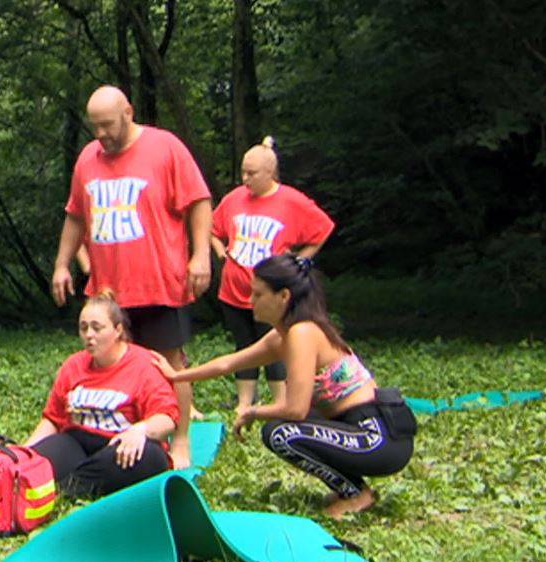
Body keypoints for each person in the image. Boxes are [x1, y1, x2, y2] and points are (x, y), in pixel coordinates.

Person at [153, 253, 415, 518]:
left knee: (281, 433)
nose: (250, 301)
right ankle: (351, 489)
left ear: (284, 296)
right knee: (284, 429)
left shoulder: (303, 333)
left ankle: (356, 494)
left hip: (378, 437)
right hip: (354, 427)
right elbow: (228, 364)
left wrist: (253, 411)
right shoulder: (283, 335)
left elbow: (295, 410)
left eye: (258, 294)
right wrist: (176, 376)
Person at [50, 85, 213, 468]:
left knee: (168, 364)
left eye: (107, 125)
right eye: (95, 127)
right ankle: (118, 432)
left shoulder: (165, 147)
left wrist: (201, 255)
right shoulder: (88, 159)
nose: (101, 134)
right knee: (112, 364)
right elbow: (75, 215)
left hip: (159, 280)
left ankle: (182, 439)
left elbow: (199, 201)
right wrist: (61, 264)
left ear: (128, 112)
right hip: (109, 290)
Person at [211, 137, 334, 415]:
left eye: (251, 173)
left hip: (272, 293)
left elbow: (323, 228)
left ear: (270, 173)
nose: (245, 179)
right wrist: (221, 253)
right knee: (243, 344)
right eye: (243, 172)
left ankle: (280, 400)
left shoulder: (291, 200)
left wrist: (300, 261)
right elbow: (212, 228)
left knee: (276, 345)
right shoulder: (234, 199)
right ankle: (245, 401)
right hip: (234, 290)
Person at [26, 290, 180, 499]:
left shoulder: (143, 364)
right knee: (37, 461)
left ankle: (63, 489)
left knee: (151, 458)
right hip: (76, 442)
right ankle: (73, 485)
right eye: (84, 328)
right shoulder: (74, 365)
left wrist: (140, 430)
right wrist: (26, 451)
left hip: (119, 447)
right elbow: (53, 419)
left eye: (97, 328)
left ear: (118, 330)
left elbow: (168, 418)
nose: (89, 335)